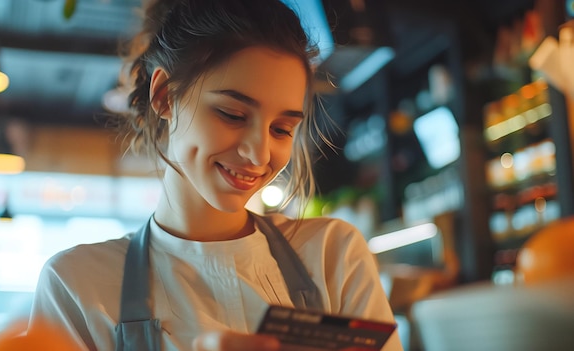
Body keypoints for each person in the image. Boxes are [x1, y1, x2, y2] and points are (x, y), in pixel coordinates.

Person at [28, 0, 403, 350]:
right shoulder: (76, 285)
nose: (258, 153)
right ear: (165, 96)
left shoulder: (332, 255)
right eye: (232, 115)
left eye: (281, 129)